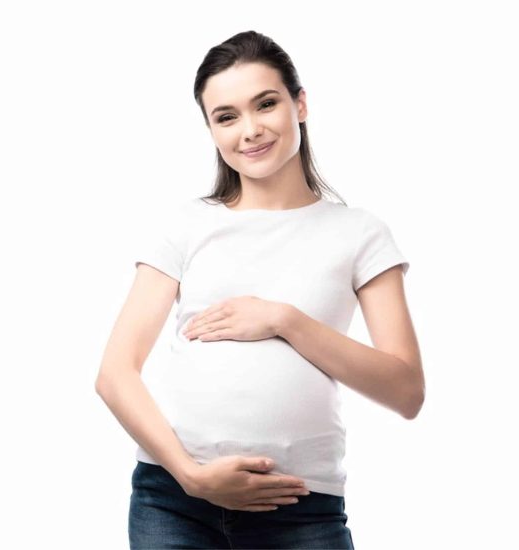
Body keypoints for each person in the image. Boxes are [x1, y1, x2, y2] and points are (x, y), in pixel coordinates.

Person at [95, 30, 425, 550]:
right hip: (174, 500)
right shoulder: (184, 226)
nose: (249, 130)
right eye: (226, 116)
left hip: (300, 511)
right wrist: (189, 474)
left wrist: (283, 320)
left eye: (265, 104)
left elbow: (406, 392)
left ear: (299, 104)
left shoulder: (360, 233)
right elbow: (114, 374)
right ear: (211, 129)